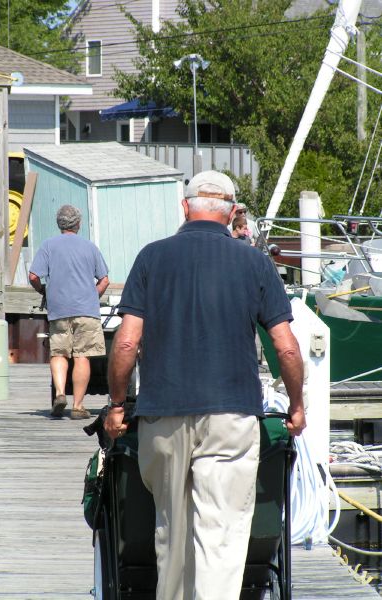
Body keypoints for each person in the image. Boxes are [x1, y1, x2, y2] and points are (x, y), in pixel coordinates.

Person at [104, 170, 306, 600]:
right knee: (220, 537)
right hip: (231, 416)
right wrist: (297, 405)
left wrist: (118, 405)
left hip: (162, 414)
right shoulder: (255, 262)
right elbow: (285, 348)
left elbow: (126, 340)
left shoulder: (151, 257)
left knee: (171, 536)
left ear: (184, 207)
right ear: (232, 212)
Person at [29, 204, 109, 420]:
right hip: (86, 310)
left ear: (59, 224)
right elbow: (104, 279)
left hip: (59, 309)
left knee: (58, 353)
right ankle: (78, 406)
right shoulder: (90, 247)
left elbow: (34, 276)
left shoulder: (48, 246)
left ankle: (60, 393)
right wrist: (94, 296)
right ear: (79, 224)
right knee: (82, 356)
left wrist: (44, 291)